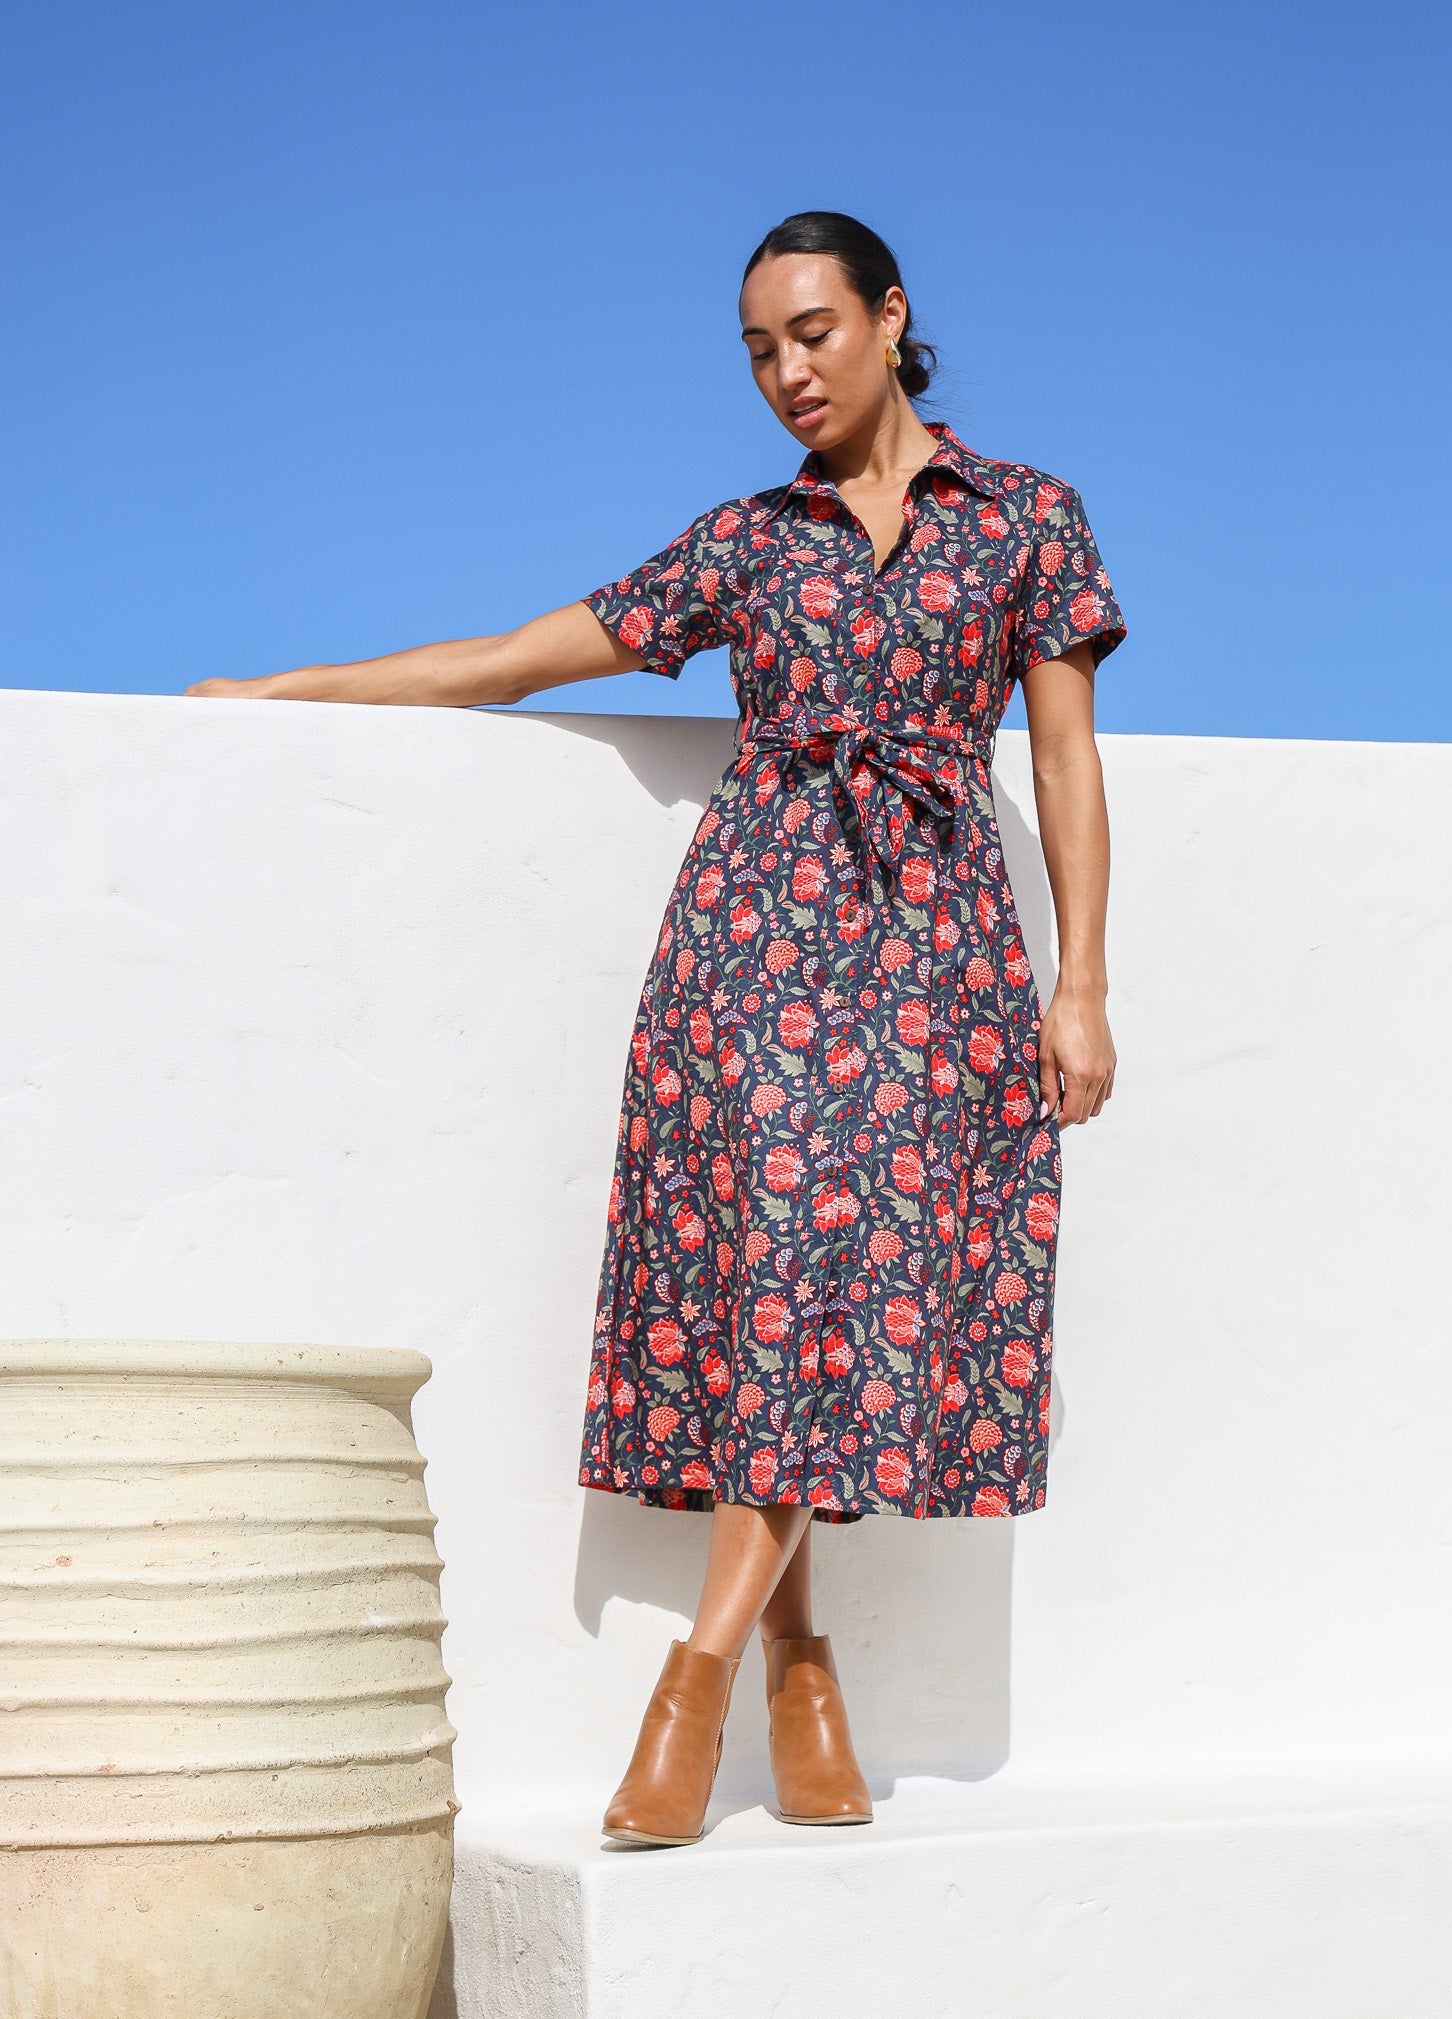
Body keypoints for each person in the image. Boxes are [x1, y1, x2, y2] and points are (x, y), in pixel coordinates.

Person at [188, 209, 1127, 1852]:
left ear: (892, 319)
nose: (788, 373)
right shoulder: (749, 543)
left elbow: (1060, 764)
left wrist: (1085, 981)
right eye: (761, 348)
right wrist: (287, 692)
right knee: (783, 1289)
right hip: (752, 948)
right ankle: (779, 1671)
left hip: (937, 959)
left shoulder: (1032, 520)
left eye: (816, 333)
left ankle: (722, 1676)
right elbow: (512, 661)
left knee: (854, 1295)